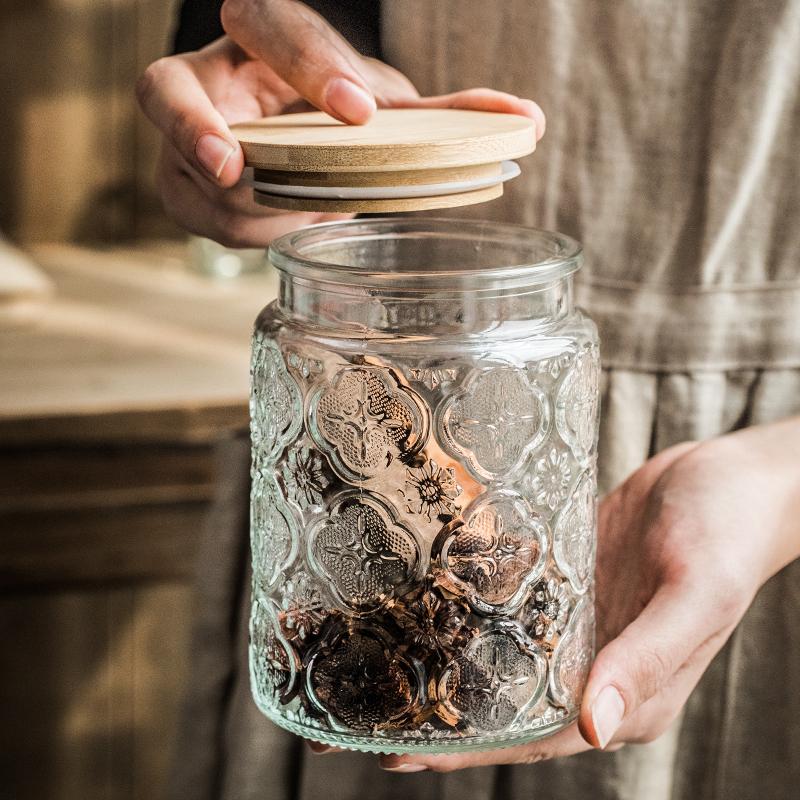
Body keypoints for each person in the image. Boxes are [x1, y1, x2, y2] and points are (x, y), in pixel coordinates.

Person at [136, 2, 800, 798]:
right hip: (362, 433)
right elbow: (269, 39)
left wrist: (782, 479)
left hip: (762, 474)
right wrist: (273, 109)